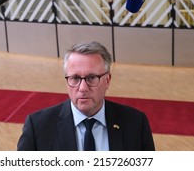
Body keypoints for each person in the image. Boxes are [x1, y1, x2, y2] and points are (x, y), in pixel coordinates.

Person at [17, 41, 155, 151]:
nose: (83, 88)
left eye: (91, 78)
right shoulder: (38, 126)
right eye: (75, 78)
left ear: (107, 80)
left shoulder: (136, 123)